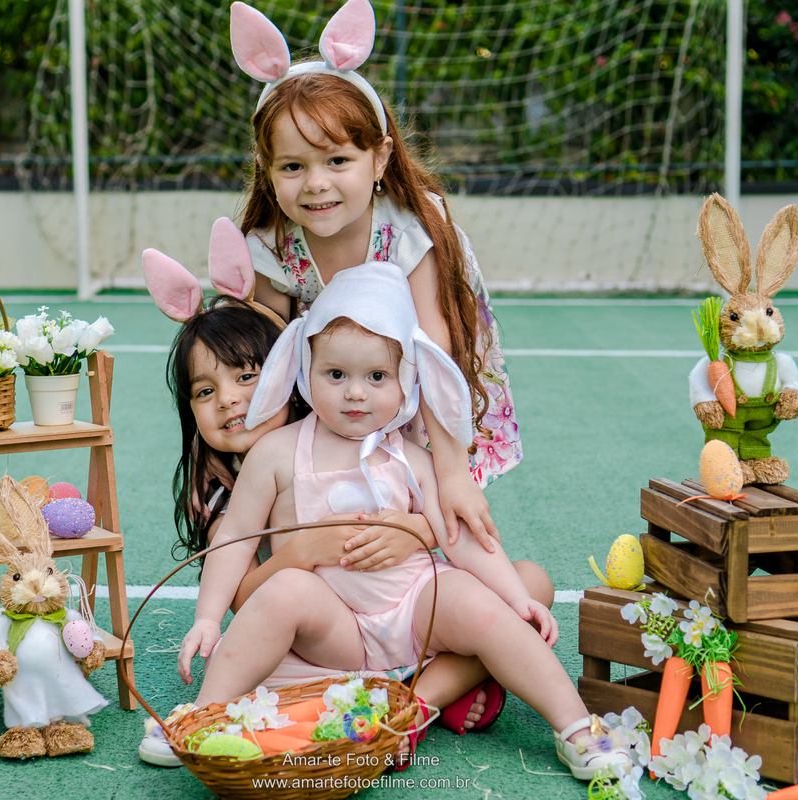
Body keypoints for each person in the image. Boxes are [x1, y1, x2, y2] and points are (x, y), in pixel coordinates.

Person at [177, 262, 630, 779]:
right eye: (335, 375)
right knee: (285, 591)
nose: (355, 393)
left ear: (407, 380)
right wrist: (208, 618)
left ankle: (577, 730)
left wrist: (515, 597)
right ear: (304, 371)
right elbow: (235, 538)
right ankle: (199, 718)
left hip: (413, 613)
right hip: (336, 632)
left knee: (476, 601)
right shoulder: (276, 454)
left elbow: (458, 537)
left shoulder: (411, 455)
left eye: (376, 377)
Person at [230, 0, 522, 553]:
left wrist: (453, 471)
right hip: (340, 384)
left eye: (337, 161)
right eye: (293, 166)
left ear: (380, 157)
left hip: (416, 374)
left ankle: (425, 539)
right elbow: (264, 358)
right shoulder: (270, 245)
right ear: (268, 171)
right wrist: (257, 479)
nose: (315, 183)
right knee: (325, 510)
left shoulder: (406, 230)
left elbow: (433, 347)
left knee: (430, 498)